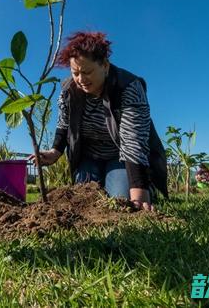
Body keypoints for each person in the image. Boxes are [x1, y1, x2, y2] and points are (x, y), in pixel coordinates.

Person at [31, 31, 168, 211]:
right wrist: (55, 151)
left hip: (120, 156)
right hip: (89, 157)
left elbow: (133, 141)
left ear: (105, 65)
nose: (81, 79)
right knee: (84, 200)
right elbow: (64, 124)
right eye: (75, 73)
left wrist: (139, 193)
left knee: (121, 200)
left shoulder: (128, 87)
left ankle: (149, 187)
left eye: (87, 72)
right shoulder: (68, 91)